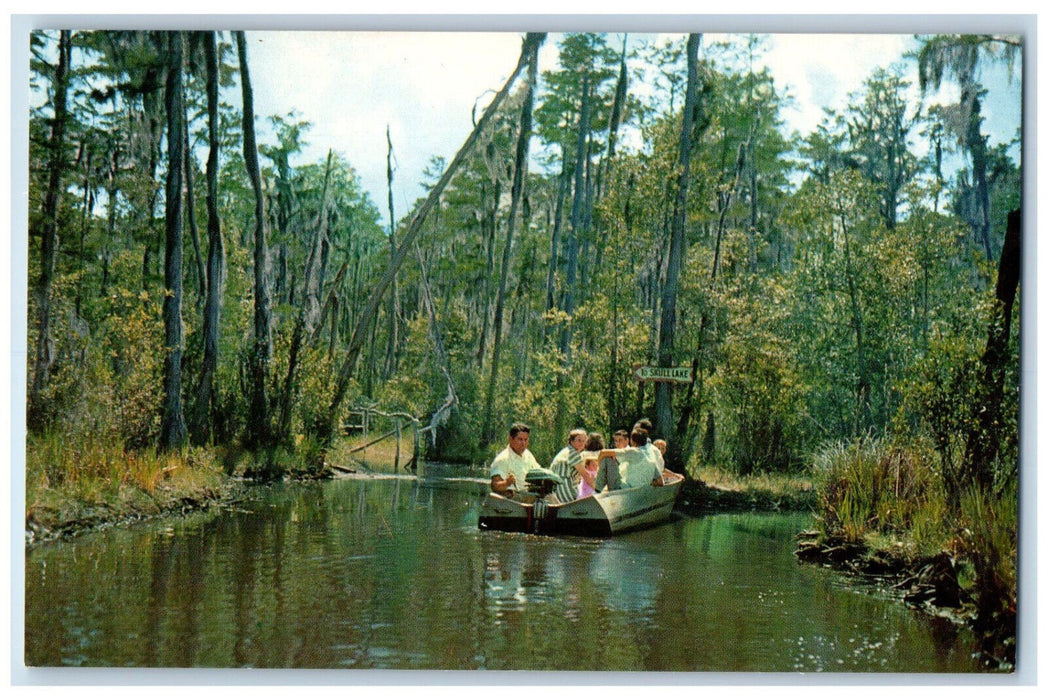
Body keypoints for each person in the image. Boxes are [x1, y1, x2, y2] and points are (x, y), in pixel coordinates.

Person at [596, 428, 663, 490]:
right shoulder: (652, 459)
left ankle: (597, 490)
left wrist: (598, 467)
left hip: (624, 490)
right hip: (640, 492)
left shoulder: (634, 452)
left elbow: (603, 452)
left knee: (607, 459)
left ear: (632, 441)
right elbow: (660, 482)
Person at [489, 423, 543, 499]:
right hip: (514, 501)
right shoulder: (502, 459)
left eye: (526, 440)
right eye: (520, 439)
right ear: (511, 439)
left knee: (549, 495)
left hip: (530, 496)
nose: (523, 443)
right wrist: (506, 483)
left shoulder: (528, 455)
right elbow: (494, 486)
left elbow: (539, 472)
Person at [548, 428, 587, 503]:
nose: (582, 443)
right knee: (574, 507)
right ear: (571, 441)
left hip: (559, 486)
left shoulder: (567, 451)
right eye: (579, 440)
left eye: (583, 440)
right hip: (563, 485)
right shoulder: (572, 453)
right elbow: (585, 475)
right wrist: (597, 489)